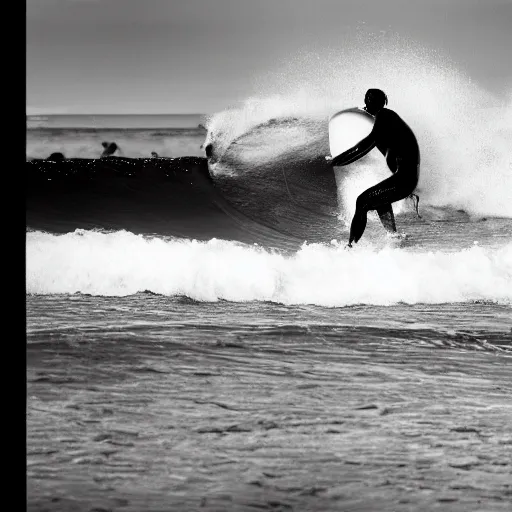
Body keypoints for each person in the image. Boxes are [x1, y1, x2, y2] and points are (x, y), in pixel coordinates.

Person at [326, 89, 420, 247]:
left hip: (404, 178)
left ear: (377, 102)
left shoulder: (385, 116)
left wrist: (337, 161)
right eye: (366, 99)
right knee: (380, 199)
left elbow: (365, 145)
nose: (366, 103)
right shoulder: (388, 121)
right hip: (406, 178)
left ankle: (351, 246)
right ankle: (394, 236)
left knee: (362, 201)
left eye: (369, 100)